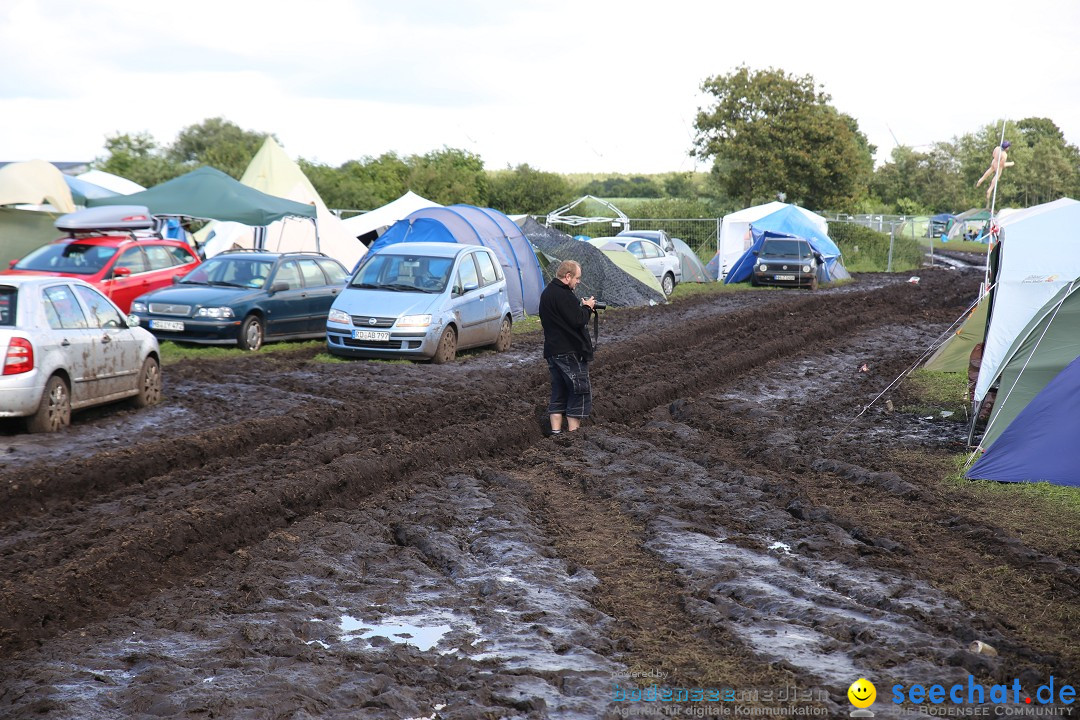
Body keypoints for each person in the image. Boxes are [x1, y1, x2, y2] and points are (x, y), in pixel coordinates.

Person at [539, 260, 597, 434]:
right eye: (577, 278)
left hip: (552, 351)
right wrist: (587, 308)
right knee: (578, 391)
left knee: (559, 391)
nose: (578, 282)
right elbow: (578, 320)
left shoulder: (547, 293)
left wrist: (580, 308)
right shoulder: (564, 295)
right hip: (570, 352)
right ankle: (573, 435)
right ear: (568, 276)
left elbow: (565, 318)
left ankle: (556, 433)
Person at [975, 140, 1014, 206]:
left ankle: (980, 180)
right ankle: (990, 190)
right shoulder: (1004, 155)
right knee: (997, 175)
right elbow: (1002, 165)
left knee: (989, 171)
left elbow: (993, 154)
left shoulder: (997, 148)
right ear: (1006, 148)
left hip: (994, 162)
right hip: (998, 165)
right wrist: (1010, 164)